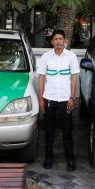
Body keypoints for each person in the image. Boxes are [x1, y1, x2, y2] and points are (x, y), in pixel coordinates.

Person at [37, 29, 79, 170]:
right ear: (52, 42)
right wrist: (41, 98)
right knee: (49, 131)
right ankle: (48, 158)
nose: (58, 41)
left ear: (64, 41)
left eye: (61, 39)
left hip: (66, 99)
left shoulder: (71, 56)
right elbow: (41, 77)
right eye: (56, 39)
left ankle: (70, 160)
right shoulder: (46, 57)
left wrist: (72, 98)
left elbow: (74, 78)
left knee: (67, 131)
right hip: (49, 98)